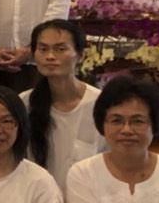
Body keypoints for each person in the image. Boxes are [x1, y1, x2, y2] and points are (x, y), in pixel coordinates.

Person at [25, 20, 104, 193]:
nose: (50, 56)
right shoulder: (24, 104)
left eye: (60, 49)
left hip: (88, 199)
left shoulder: (101, 105)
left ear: (81, 55)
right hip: (37, 199)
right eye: (43, 49)